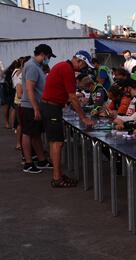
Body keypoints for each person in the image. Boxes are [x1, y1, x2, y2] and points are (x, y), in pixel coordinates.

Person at [40, 50, 95, 188]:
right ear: (79, 61)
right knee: (57, 143)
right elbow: (72, 97)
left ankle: (57, 174)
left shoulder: (62, 66)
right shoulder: (67, 70)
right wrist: (83, 117)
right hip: (51, 108)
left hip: (50, 107)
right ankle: (57, 178)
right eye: (84, 65)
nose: (84, 69)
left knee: (55, 142)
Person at [20, 45, 55, 174]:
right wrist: (35, 108)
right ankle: (28, 163)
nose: (49, 59)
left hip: (35, 106)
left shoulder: (37, 67)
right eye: (49, 56)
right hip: (30, 106)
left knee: (35, 134)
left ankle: (41, 160)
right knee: (28, 133)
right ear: (43, 54)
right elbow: (29, 89)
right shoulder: (32, 66)